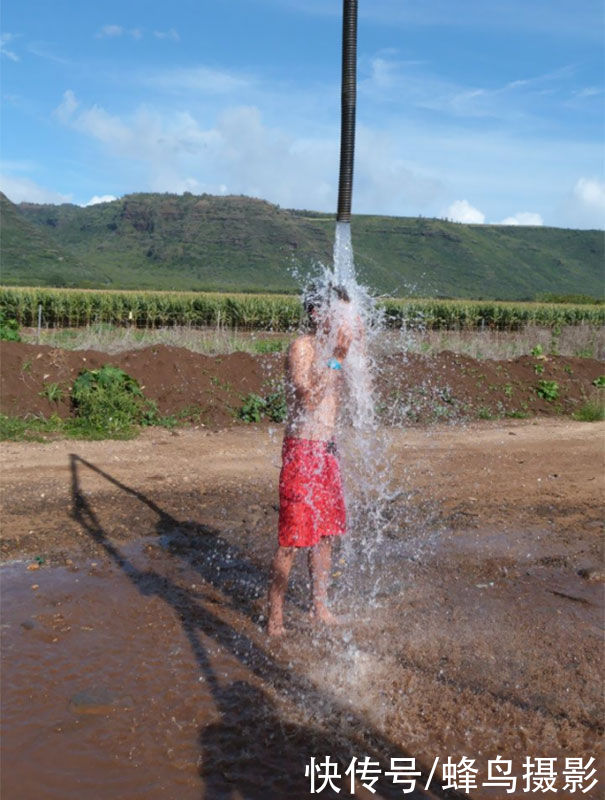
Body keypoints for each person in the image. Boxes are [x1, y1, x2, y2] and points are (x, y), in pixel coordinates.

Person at [267, 283, 356, 636]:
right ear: (318, 313)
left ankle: (320, 606)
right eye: (338, 311)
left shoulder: (334, 348)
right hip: (302, 450)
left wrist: (344, 349)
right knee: (291, 539)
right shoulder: (302, 348)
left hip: (327, 450)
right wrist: (336, 359)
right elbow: (307, 400)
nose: (343, 319)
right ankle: (275, 617)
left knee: (326, 535)